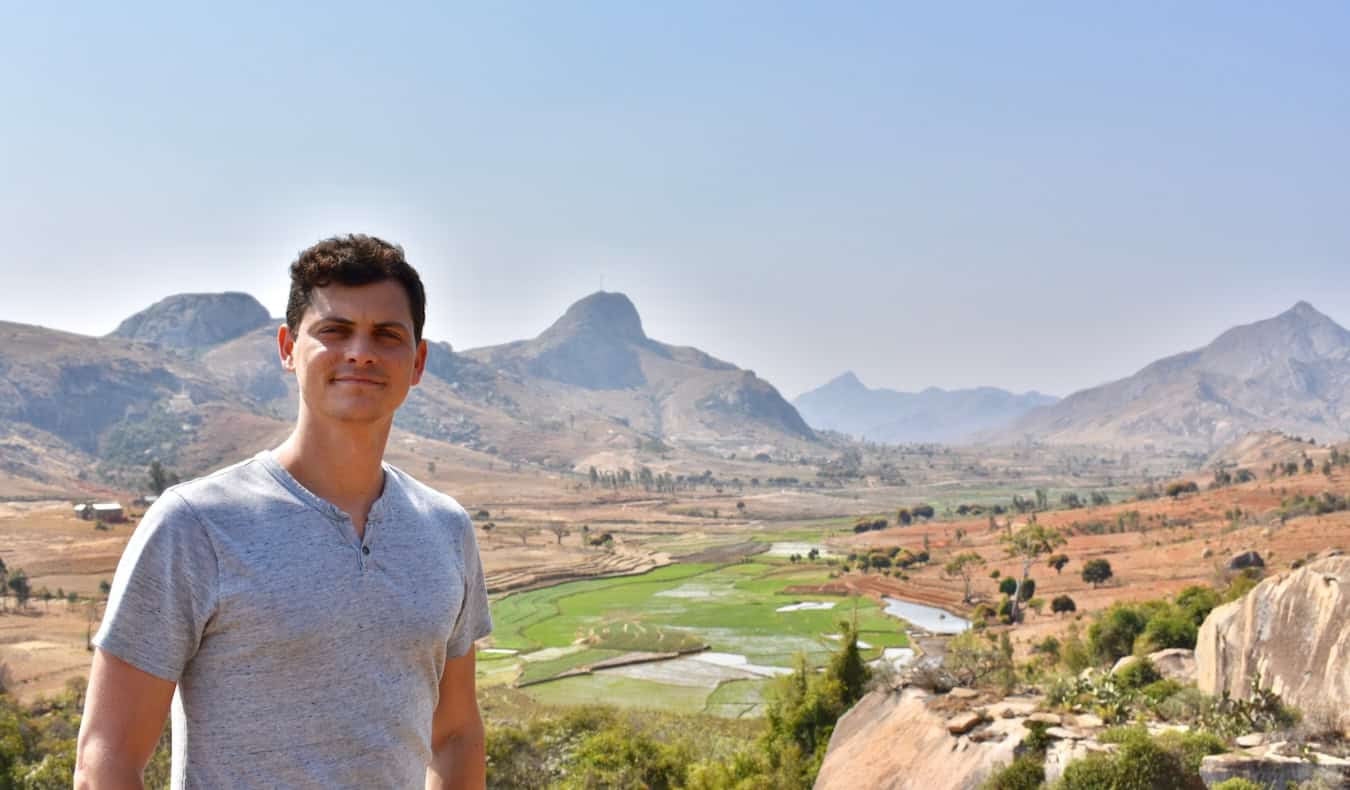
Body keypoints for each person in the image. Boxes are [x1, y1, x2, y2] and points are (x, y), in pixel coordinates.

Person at [75, 235, 492, 789]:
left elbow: (456, 733)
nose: (360, 352)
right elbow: (107, 759)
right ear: (287, 348)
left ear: (417, 362)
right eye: (334, 331)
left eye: (386, 335)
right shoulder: (194, 525)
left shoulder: (446, 530)